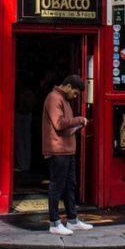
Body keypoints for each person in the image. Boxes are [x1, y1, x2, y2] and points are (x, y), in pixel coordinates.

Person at [41, 74, 93, 236]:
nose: (75, 96)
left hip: (67, 149)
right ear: (69, 86)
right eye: (75, 93)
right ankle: (55, 223)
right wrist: (79, 120)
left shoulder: (64, 100)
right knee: (57, 186)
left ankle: (72, 219)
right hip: (58, 149)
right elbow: (59, 124)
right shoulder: (54, 98)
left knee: (70, 185)